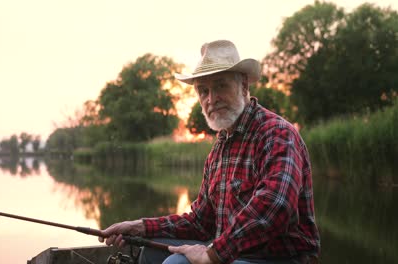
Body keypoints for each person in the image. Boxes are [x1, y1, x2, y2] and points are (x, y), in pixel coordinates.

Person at [99, 40, 320, 264]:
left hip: (282, 258)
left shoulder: (277, 133)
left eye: (220, 86)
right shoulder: (218, 150)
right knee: (152, 253)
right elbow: (200, 223)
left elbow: (276, 206)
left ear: (243, 86)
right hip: (233, 254)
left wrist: (213, 254)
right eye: (203, 91)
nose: (211, 99)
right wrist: (140, 227)